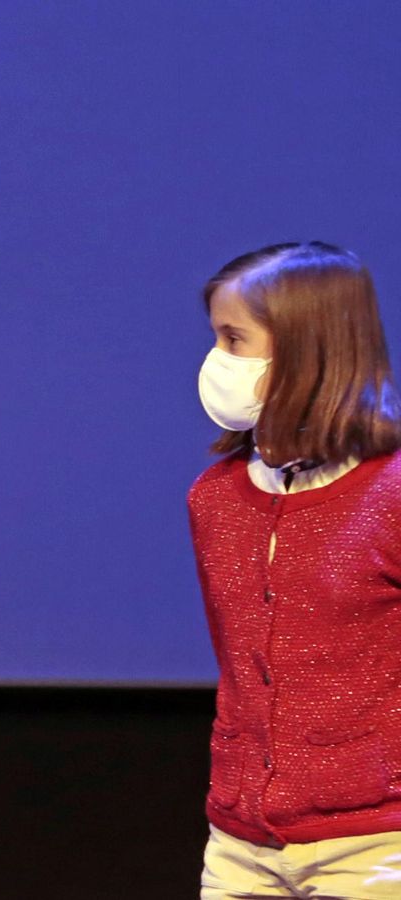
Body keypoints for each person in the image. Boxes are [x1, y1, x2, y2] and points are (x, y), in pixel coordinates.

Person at [189, 242, 401, 899]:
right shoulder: (215, 498)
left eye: (234, 340)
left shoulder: (390, 495)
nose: (217, 361)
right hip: (241, 843)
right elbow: (240, 664)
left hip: (375, 845)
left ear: (307, 350)